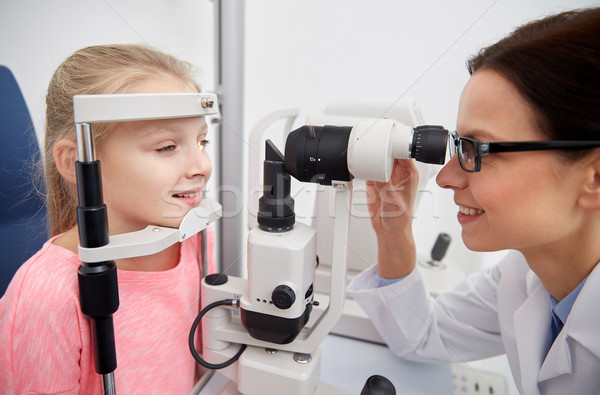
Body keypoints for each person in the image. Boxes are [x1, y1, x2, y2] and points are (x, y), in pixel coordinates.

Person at [347, 7, 600, 395]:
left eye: (479, 150)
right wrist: (393, 232)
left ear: (594, 177)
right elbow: (424, 335)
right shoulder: (524, 275)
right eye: (459, 144)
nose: (447, 178)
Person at [0, 44, 216, 394]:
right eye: (166, 147)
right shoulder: (46, 296)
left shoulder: (195, 239)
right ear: (75, 162)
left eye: (202, 141)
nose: (203, 166)